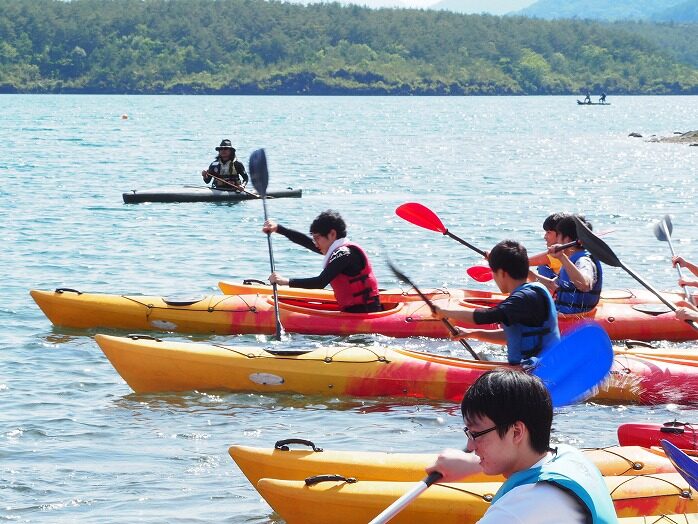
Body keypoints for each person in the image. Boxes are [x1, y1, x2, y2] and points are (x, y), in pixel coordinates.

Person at [426, 369, 618, 523]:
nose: (470, 445)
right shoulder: (569, 455)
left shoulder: (521, 508)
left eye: (476, 434)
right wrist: (471, 464)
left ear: (516, 432)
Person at [433, 240, 560, 365]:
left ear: (502, 273)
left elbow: (486, 316)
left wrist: (444, 311)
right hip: (541, 365)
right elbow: (512, 336)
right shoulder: (531, 291)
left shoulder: (523, 298)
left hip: (541, 371)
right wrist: (471, 333)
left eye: (493, 272)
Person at [262, 210, 382, 313]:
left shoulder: (344, 254)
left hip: (364, 313)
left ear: (332, 234)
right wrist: (278, 229)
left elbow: (320, 282)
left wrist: (284, 281)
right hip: (356, 310)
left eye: (317, 238)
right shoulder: (338, 250)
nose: (315, 243)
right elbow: (306, 242)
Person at [534, 215, 602, 314]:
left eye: (559, 236)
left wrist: (562, 257)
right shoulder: (570, 261)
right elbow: (553, 285)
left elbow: (585, 284)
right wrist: (528, 273)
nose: (557, 240)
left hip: (576, 317)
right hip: (562, 313)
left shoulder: (584, 261)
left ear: (567, 240)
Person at [528, 213, 569, 279]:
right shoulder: (569, 251)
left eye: (548, 232)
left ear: (560, 234)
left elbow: (525, 262)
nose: (545, 237)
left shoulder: (559, 255)